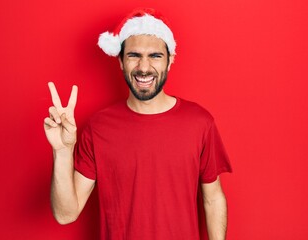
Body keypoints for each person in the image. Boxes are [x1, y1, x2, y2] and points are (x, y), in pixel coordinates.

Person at [44, 8, 232, 240]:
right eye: (134, 55)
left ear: (170, 60)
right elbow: (66, 214)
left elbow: (213, 198)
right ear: (121, 61)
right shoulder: (98, 128)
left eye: (155, 56)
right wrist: (62, 152)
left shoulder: (200, 123)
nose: (144, 68)